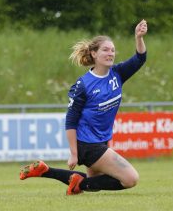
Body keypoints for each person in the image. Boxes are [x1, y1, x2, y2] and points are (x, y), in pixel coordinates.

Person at [20, 19, 148, 195]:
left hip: (101, 140)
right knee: (130, 178)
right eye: (105, 50)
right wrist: (74, 153)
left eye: (112, 50)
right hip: (86, 144)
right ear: (94, 54)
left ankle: (46, 171)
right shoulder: (83, 84)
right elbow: (71, 120)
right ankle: (77, 183)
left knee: (94, 184)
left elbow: (140, 59)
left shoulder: (117, 74)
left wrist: (138, 37)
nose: (110, 53)